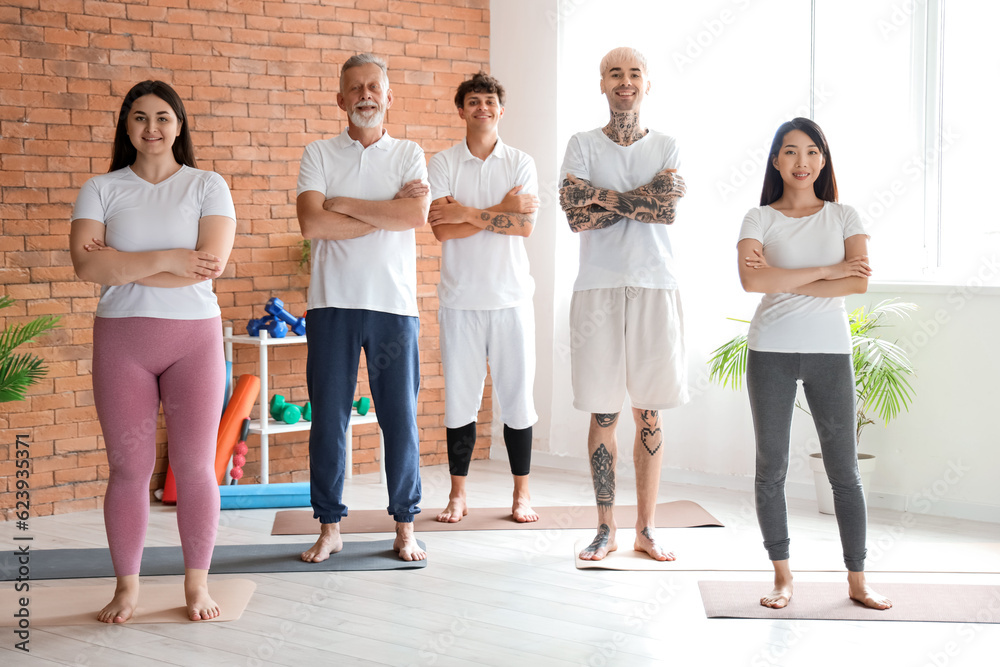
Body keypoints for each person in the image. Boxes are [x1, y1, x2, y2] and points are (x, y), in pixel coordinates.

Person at [70, 80, 237, 623]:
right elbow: (88, 268)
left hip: (195, 340)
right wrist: (171, 258)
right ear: (126, 127)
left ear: (179, 125)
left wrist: (126, 261)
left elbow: (209, 264)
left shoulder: (208, 185)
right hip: (122, 340)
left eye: (163, 117)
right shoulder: (101, 188)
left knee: (194, 468)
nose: (151, 127)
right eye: (139, 117)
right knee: (128, 467)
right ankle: (127, 587)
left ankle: (196, 585)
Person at [737, 117, 892, 610]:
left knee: (844, 471)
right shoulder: (758, 218)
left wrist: (783, 277)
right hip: (771, 351)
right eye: (789, 152)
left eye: (809, 152)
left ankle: (857, 580)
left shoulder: (845, 215)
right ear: (776, 161)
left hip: (830, 351)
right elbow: (752, 284)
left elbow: (859, 284)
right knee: (771, 468)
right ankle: (783, 577)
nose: (800, 162)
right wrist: (829, 269)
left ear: (822, 159)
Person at [296, 53, 429, 562]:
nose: (365, 95)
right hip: (332, 305)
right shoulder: (318, 153)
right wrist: (384, 211)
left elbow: (414, 213)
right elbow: (312, 225)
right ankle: (329, 527)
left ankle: (405, 526)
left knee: (400, 419)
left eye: (374, 86)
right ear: (340, 99)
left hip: (394, 307)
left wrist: (342, 203)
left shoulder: (409, 153)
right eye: (355, 88)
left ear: (389, 96)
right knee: (328, 419)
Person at [558, 48, 688, 561]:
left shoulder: (667, 143)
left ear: (647, 83)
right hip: (597, 288)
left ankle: (646, 529)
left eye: (634, 73)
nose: (625, 81)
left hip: (656, 285)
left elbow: (667, 213)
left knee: (649, 411)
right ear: (602, 83)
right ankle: (605, 528)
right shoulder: (582, 144)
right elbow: (574, 218)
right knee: (604, 411)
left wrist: (601, 196)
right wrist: (643, 196)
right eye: (615, 73)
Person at [427, 72, 541, 524]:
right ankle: (457, 495)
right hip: (460, 303)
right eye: (473, 102)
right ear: (461, 110)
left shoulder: (520, 162)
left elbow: (526, 227)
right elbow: (441, 229)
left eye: (490, 101)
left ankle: (522, 495)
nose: (483, 108)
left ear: (501, 109)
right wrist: (501, 211)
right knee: (460, 401)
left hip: (512, 300)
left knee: (518, 400)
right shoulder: (442, 163)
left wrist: (468, 213)